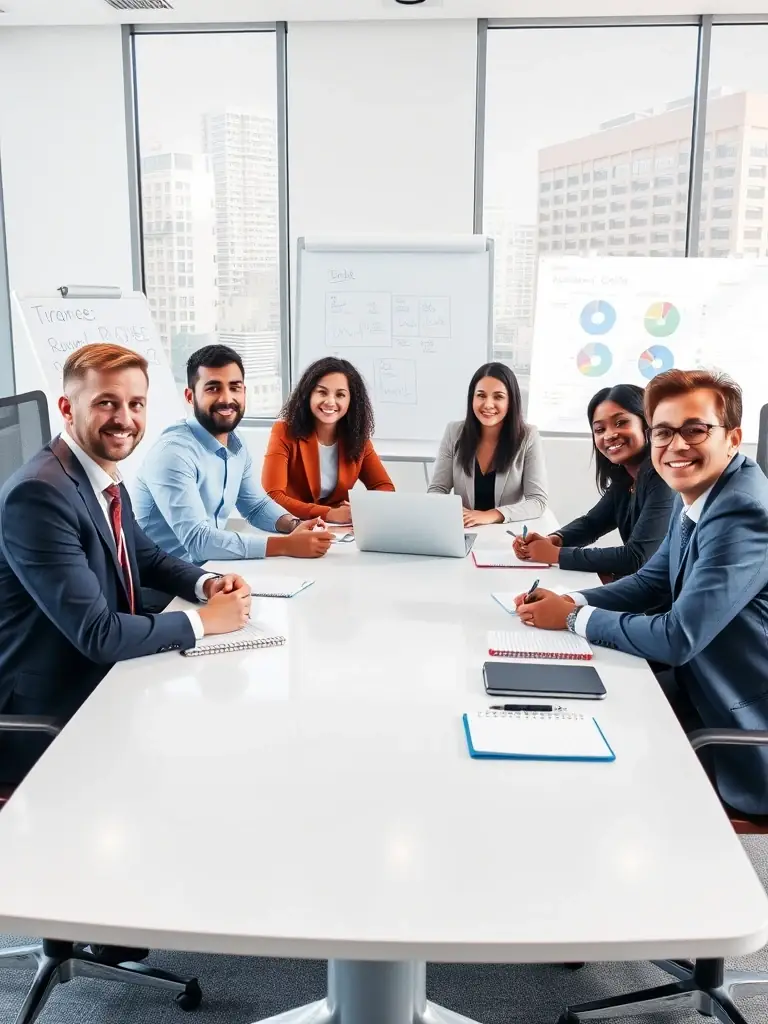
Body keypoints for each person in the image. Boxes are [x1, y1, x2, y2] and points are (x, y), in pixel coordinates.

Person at [515, 369, 768, 816]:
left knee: (593, 764)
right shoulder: (698, 490)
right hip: (697, 686)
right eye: (664, 432)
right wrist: (572, 600)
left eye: (696, 430)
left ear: (733, 439)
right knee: (573, 710)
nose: (676, 446)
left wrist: (574, 618)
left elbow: (679, 636)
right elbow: (652, 579)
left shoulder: (741, 510)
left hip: (738, 725)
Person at [0, 343, 252, 788]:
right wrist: (204, 623)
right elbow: (98, 635)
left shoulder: (100, 471)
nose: (125, 419)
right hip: (53, 711)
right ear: (67, 408)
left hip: (111, 681)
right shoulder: (39, 496)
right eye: (106, 403)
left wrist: (206, 584)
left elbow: (145, 555)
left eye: (136, 404)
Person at [133, 345, 333, 574]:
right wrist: (286, 545)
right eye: (213, 388)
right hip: (161, 589)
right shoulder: (173, 453)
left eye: (234, 388)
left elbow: (256, 506)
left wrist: (295, 526)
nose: (227, 399)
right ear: (190, 397)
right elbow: (198, 541)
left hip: (208, 572)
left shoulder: (236, 445)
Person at [513, 384, 674, 578]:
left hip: (666, 602)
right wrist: (554, 539)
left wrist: (557, 555)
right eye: (599, 429)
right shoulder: (625, 479)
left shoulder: (664, 478)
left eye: (621, 422)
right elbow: (592, 524)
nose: (610, 435)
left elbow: (637, 556)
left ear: (647, 425)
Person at [262, 357, 394, 523]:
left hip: (339, 532)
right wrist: (329, 514)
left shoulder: (358, 438)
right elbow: (272, 496)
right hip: (294, 526)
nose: (330, 402)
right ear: (308, 394)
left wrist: (360, 508)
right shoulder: (284, 432)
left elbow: (384, 487)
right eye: (322, 392)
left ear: (351, 401)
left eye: (340, 395)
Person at [427, 362, 547, 527]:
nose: (488, 404)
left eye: (498, 396)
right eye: (481, 395)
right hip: (464, 531)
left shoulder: (528, 436)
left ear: (511, 401)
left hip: (506, 534)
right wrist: (453, 512)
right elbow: (437, 490)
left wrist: (491, 515)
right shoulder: (454, 432)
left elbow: (537, 501)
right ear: (472, 398)